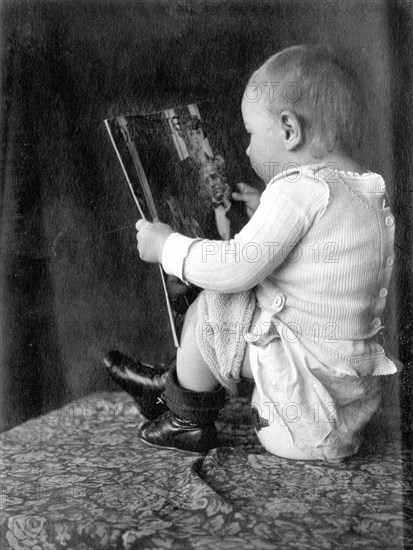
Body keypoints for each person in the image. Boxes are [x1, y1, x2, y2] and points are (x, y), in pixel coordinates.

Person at [108, 45, 401, 461]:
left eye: (250, 133)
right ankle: (174, 385)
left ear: (288, 131)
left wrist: (167, 246)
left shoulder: (297, 190)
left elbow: (235, 268)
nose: (245, 150)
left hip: (295, 421)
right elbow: (320, 256)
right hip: (344, 405)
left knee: (216, 305)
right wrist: (267, 204)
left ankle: (185, 419)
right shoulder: (367, 190)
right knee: (246, 304)